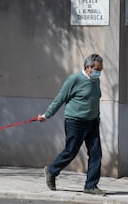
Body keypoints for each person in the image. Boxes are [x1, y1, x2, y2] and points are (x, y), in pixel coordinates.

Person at [37, 53, 105, 196]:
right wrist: (46, 115)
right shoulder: (74, 79)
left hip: (92, 122)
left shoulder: (95, 81)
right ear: (87, 67)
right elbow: (59, 99)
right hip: (75, 122)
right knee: (71, 151)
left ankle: (91, 186)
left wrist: (96, 117)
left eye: (101, 69)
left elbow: (95, 100)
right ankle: (51, 170)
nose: (99, 72)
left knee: (96, 154)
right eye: (97, 69)